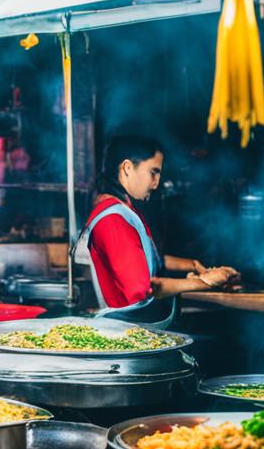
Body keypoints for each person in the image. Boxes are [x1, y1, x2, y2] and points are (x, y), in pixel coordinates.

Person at [74, 135, 238, 327]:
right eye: (153, 172)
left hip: (136, 331)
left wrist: (194, 265)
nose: (156, 183)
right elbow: (144, 290)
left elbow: (150, 259)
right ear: (127, 168)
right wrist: (205, 281)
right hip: (129, 335)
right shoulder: (113, 219)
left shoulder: (124, 211)